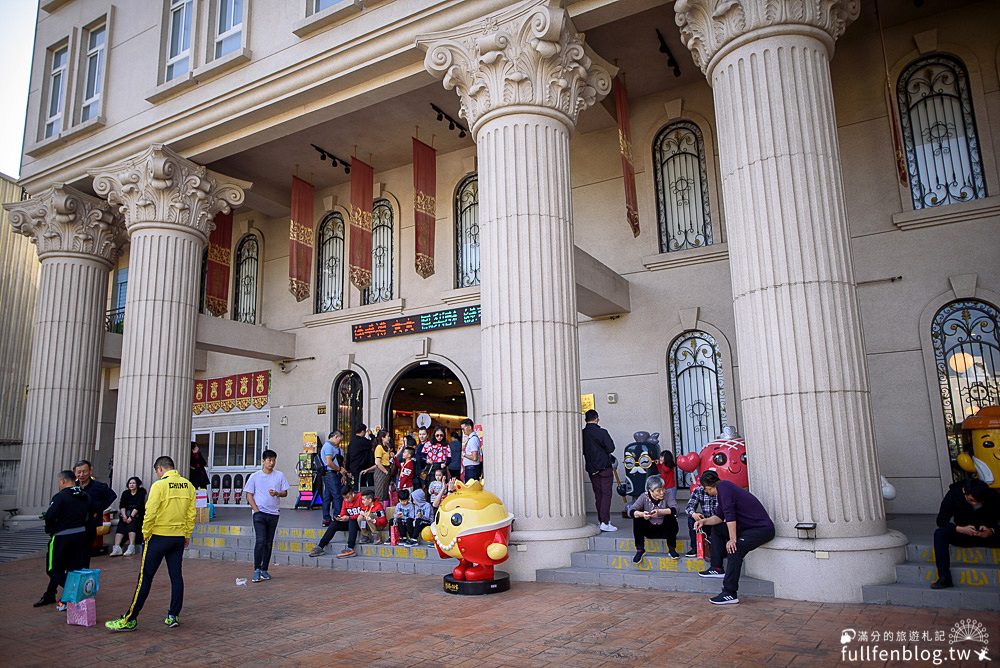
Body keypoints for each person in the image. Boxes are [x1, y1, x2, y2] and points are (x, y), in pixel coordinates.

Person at [106, 455, 195, 632]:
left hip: (158, 536)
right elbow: (190, 514)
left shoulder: (160, 485)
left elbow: (150, 512)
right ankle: (173, 615)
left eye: (157, 471)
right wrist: (186, 534)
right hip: (177, 537)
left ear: (160, 469)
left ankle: (130, 618)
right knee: (176, 577)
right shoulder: (188, 485)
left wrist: (145, 534)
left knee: (145, 578)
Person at [694, 470, 775, 605]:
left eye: (706, 490)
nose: (707, 493)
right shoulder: (723, 490)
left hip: (761, 529)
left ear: (707, 487)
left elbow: (730, 515)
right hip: (746, 528)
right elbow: (719, 518)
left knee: (734, 549)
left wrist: (732, 539)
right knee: (718, 529)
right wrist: (704, 521)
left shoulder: (724, 488)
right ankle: (717, 567)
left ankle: (729, 593)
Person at [930, 478, 1000, 589]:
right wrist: (959, 529)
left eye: (979, 501)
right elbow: (941, 520)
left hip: (988, 535)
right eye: (972, 500)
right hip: (964, 534)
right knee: (940, 533)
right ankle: (944, 577)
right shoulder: (954, 494)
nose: (975, 503)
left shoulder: (990, 495)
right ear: (964, 492)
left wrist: (992, 530)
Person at [35, 470, 90, 608]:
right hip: (80, 535)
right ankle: (53, 595)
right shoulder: (84, 495)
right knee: (73, 568)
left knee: (53, 569)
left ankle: (76, 592)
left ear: (63, 481)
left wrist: (50, 529)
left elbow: (50, 516)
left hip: (62, 536)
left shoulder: (61, 496)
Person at [244, 449, 290, 583]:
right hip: (259, 513)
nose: (271, 462)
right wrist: (256, 510)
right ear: (263, 461)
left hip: (273, 513)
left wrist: (277, 493)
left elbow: (285, 493)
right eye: (269, 460)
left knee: (269, 543)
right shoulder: (255, 476)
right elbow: (249, 494)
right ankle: (256, 569)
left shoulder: (279, 475)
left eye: (273, 460)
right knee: (260, 541)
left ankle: (265, 569)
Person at [629, 475, 680, 562]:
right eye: (658, 491)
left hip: (665, 530)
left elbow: (676, 509)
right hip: (650, 530)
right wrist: (642, 514)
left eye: (663, 489)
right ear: (650, 491)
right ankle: (640, 550)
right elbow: (631, 511)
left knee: (670, 515)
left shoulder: (668, 494)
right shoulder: (644, 496)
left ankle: (672, 549)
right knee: (637, 517)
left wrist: (660, 512)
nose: (662, 492)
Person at [74, 459, 117, 561]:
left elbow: (112, 495)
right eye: (78, 472)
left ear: (90, 471)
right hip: (75, 522)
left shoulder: (99, 486)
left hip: (91, 522)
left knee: (86, 551)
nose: (81, 474)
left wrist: (99, 509)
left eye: (84, 471)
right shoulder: (72, 487)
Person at [581, 410, 616, 532]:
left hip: (592, 468)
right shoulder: (602, 432)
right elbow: (611, 447)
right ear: (596, 419)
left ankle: (601, 521)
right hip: (604, 467)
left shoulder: (582, 433)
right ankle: (605, 522)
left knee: (598, 495)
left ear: (586, 419)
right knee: (606, 494)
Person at [308, 487, 362, 558]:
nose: (346, 500)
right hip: (350, 524)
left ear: (352, 493)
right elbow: (343, 513)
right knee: (335, 523)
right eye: (344, 498)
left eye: (348, 497)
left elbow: (364, 512)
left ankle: (350, 548)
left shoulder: (361, 498)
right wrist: (340, 518)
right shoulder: (345, 501)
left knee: (352, 520)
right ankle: (320, 546)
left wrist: (349, 517)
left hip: (361, 523)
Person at [111, 477, 146, 557]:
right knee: (121, 525)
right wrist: (124, 516)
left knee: (132, 524)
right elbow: (122, 505)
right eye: (130, 483)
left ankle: (131, 546)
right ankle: (117, 547)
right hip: (126, 513)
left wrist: (131, 517)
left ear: (137, 484)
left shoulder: (141, 492)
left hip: (137, 514)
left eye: (133, 483)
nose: (132, 485)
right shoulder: (125, 493)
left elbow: (139, 505)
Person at [684, 480, 718, 558]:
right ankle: (695, 548)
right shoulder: (699, 490)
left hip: (718, 521)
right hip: (705, 521)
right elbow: (689, 507)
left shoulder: (720, 491)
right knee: (691, 518)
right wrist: (694, 514)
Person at [320, 431, 346, 527]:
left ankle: (326, 518)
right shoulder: (328, 447)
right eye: (340, 439)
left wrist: (342, 474)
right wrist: (339, 469)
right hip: (330, 473)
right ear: (335, 436)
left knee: (327, 495)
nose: (340, 442)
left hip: (335, 473)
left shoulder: (337, 449)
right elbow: (329, 462)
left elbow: (341, 462)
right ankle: (337, 517)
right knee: (337, 495)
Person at [370, 430, 394, 503]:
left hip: (386, 470)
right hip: (381, 471)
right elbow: (377, 462)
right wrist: (385, 471)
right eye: (387, 436)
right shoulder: (379, 447)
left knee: (385, 493)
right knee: (380, 493)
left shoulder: (386, 447)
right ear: (382, 438)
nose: (389, 438)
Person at [346, 423, 372, 491]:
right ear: (363, 431)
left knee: (354, 487)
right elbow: (373, 443)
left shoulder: (352, 441)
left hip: (353, 467)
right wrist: (371, 435)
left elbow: (348, 455)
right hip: (360, 468)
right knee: (360, 487)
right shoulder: (363, 441)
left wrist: (348, 469)